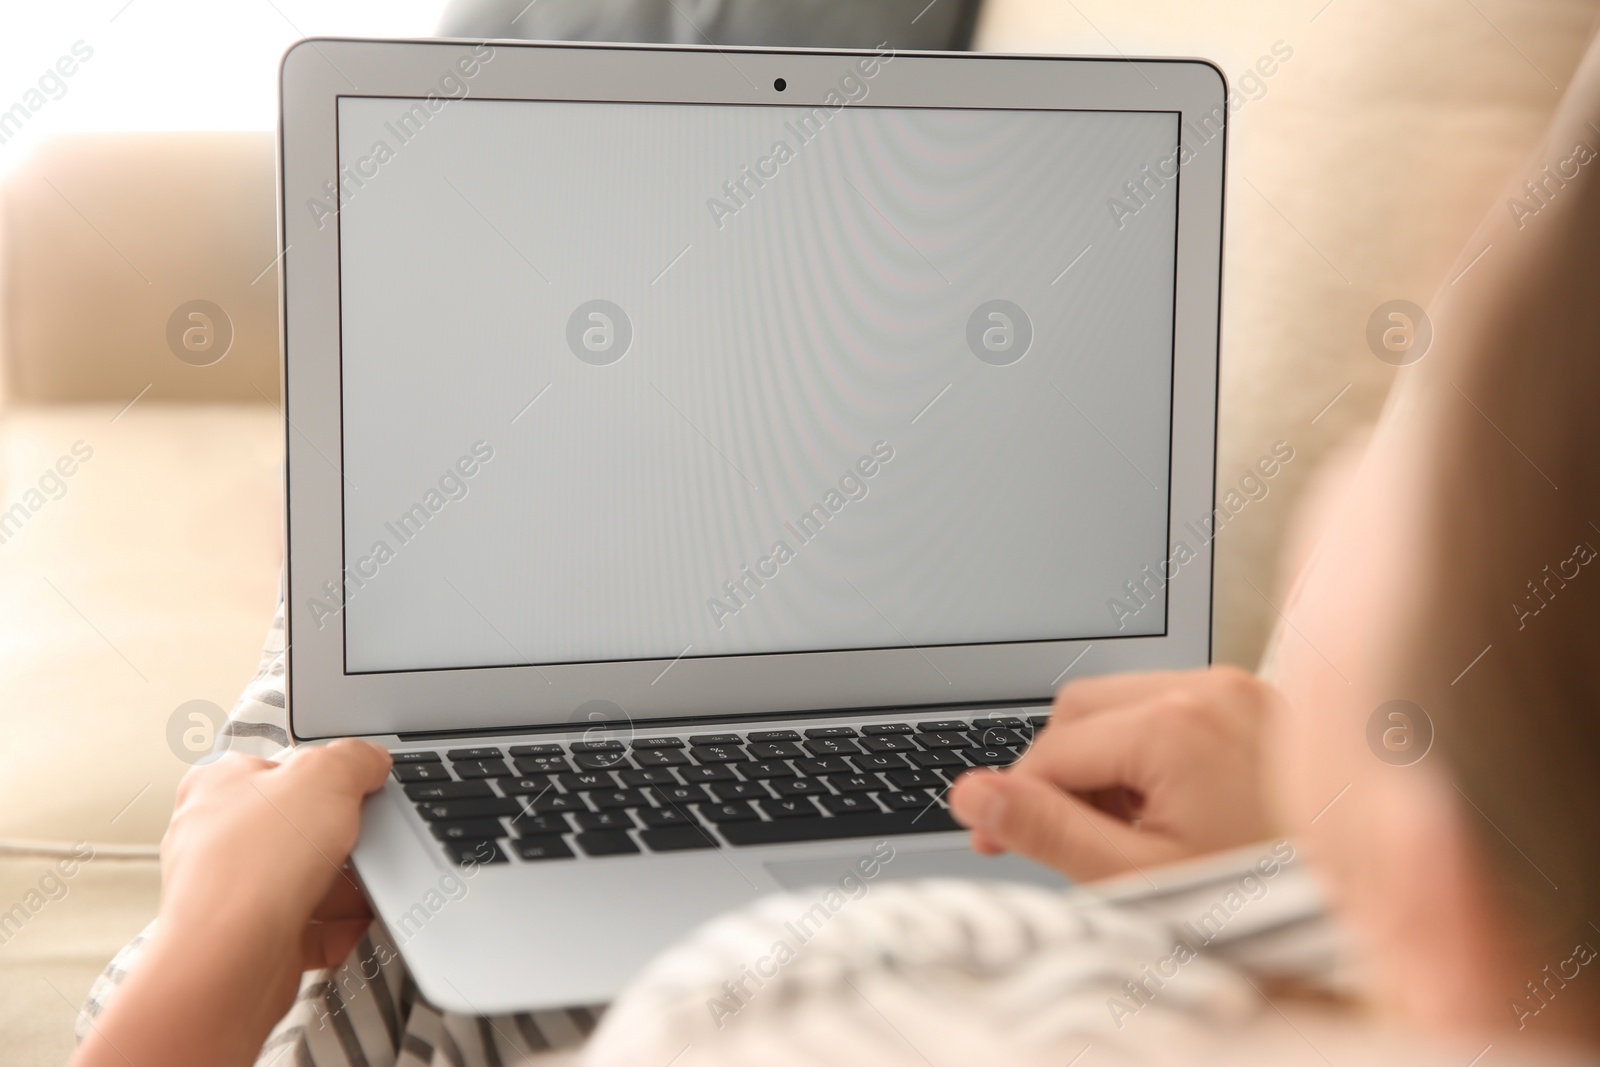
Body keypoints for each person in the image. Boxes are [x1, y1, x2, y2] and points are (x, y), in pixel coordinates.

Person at [70, 25, 1600, 1067]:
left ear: (1442, 863)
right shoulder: (1390, 929)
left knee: (360, 676)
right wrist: (1295, 858)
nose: (1343, 463)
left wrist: (203, 956)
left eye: (1395, 430)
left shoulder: (791, 999)